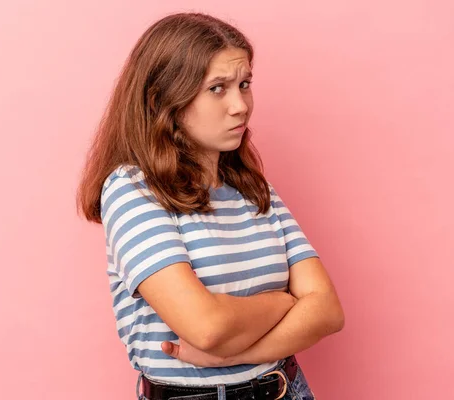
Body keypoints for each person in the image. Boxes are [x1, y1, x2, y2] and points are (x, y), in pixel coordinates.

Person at [77, 12, 344, 400]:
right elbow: (207, 327)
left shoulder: (252, 189)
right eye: (217, 88)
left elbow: (328, 311)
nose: (240, 106)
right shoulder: (133, 190)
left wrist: (231, 355)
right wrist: (282, 301)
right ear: (162, 100)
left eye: (244, 84)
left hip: (286, 390)